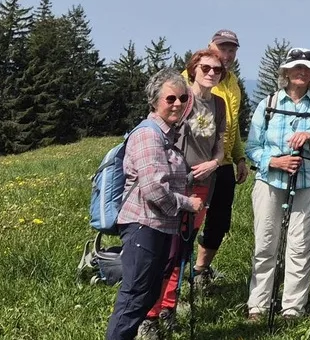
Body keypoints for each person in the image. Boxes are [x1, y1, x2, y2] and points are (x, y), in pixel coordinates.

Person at [105, 69, 203, 340]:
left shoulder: (166, 135)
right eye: (170, 98)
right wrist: (188, 204)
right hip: (143, 225)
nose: (178, 104)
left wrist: (191, 177)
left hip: (157, 226)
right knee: (134, 296)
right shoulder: (149, 135)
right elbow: (154, 189)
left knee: (145, 295)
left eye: (183, 98)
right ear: (154, 102)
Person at [245, 47, 310, 321]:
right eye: (296, 67)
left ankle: (292, 308)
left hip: (307, 181)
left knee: (301, 244)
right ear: (286, 72)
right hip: (270, 180)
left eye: (307, 69)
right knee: (265, 242)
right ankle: (258, 305)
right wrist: (274, 161)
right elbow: (252, 147)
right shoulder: (268, 104)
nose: (301, 72)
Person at [145, 47, 228, 331]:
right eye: (205, 68)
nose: (211, 73)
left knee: (183, 247)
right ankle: (150, 314)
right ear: (193, 69)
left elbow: (220, 143)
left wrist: (215, 164)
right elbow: (157, 130)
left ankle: (168, 308)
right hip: (174, 185)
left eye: (217, 70)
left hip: (203, 185)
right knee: (164, 249)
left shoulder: (219, 105)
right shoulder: (181, 99)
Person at [193, 29, 247, 285]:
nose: (226, 54)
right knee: (188, 219)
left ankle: (200, 270)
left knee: (219, 220)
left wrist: (239, 157)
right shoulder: (193, 77)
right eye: (222, 48)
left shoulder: (233, 82)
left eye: (231, 50)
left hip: (223, 163)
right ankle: (173, 275)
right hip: (196, 163)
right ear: (209, 46)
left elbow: (231, 126)